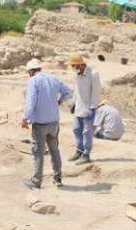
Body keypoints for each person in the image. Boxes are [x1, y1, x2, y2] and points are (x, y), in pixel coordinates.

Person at [21, 59, 72, 189]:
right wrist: (59, 101)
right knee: (54, 150)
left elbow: (30, 102)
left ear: (31, 71)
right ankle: (58, 178)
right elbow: (68, 92)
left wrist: (25, 118)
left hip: (40, 124)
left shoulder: (33, 80)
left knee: (38, 152)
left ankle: (36, 181)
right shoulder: (53, 78)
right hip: (54, 123)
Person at [67, 53, 101, 166]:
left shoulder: (93, 74)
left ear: (81, 64)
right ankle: (79, 151)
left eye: (74, 65)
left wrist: (92, 108)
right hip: (79, 107)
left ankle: (86, 155)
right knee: (76, 129)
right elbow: (76, 91)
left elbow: (96, 93)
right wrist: (73, 103)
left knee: (87, 132)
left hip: (88, 108)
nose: (72, 68)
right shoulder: (77, 75)